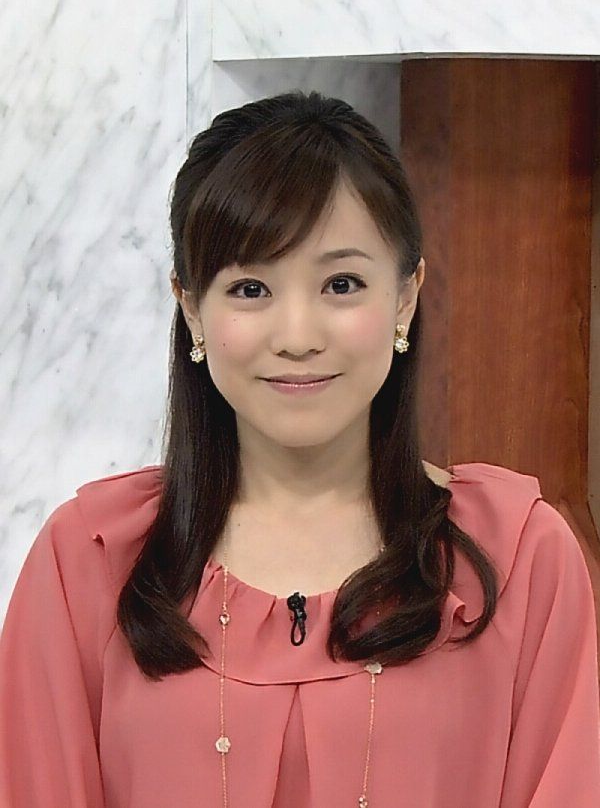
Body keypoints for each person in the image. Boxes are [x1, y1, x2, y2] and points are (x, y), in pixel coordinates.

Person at [1, 89, 599, 808]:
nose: (297, 335)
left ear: (406, 296)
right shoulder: (89, 561)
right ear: (190, 306)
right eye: (251, 287)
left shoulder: (520, 559)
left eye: (341, 284)